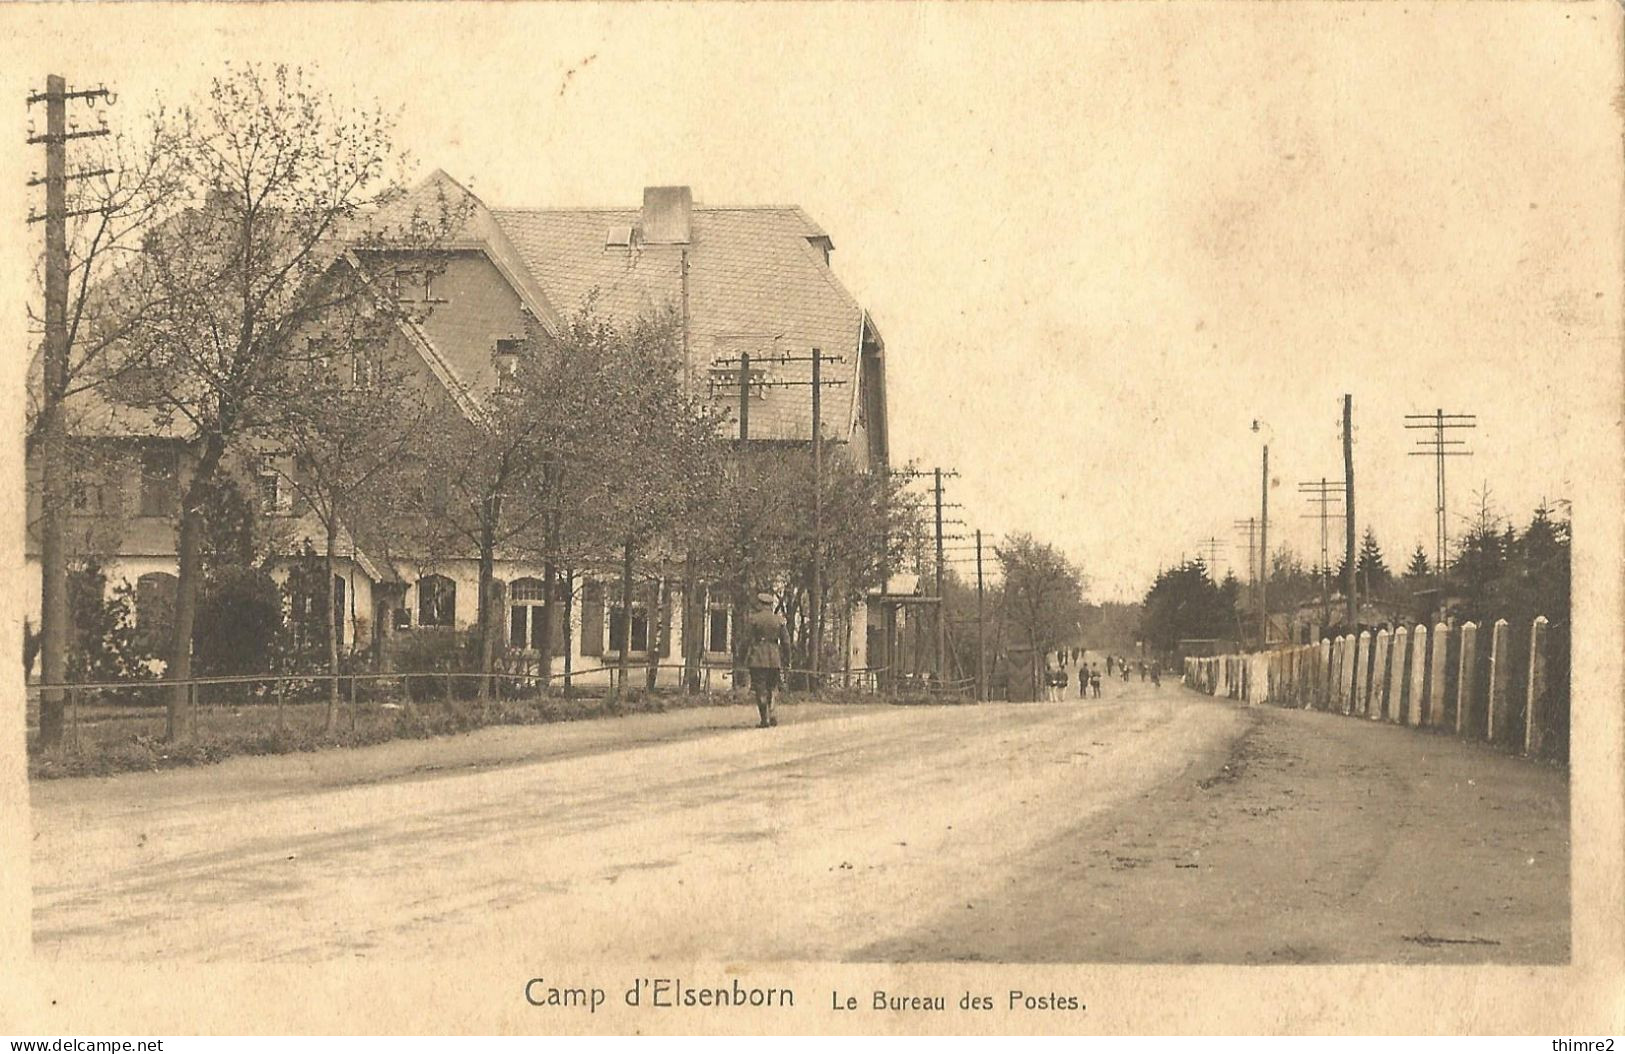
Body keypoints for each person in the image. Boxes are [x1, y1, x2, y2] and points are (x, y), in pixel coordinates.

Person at [743, 590, 790, 727]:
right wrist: (787, 659)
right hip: (774, 658)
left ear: (760, 604)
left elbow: (746, 640)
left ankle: (765, 719)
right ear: (770, 604)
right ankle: (772, 713)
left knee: (760, 688)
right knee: (772, 687)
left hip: (758, 658)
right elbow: (786, 642)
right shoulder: (779, 620)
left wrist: (742, 656)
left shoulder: (754, 619)